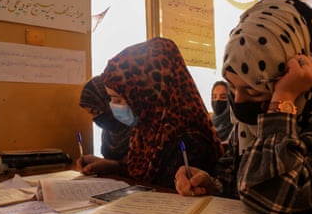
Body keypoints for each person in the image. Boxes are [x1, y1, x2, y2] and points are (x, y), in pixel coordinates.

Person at [174, 0, 312, 214]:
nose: (237, 101)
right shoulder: (247, 120)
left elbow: (273, 195)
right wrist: (212, 184)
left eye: (252, 91)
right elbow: (237, 179)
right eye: (232, 87)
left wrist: (282, 102)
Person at [77, 37, 224, 189]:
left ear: (146, 95)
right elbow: (142, 174)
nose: (113, 107)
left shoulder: (189, 139)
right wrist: (111, 166)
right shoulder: (147, 128)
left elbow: (171, 191)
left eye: (118, 100)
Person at [78, 80, 132, 177]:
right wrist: (97, 161)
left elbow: (141, 172)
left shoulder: (140, 130)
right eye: (90, 114)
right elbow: (115, 163)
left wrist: (112, 167)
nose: (94, 119)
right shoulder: (108, 133)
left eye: (96, 111)